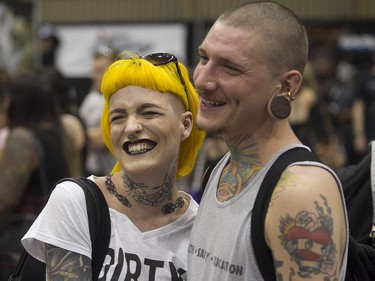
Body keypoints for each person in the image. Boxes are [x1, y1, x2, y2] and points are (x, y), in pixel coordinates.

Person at [187, 1, 348, 280]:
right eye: (203, 58)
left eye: (229, 68)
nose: (202, 80)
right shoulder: (223, 168)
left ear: (286, 86)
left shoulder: (299, 193)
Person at [21, 52, 206, 280]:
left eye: (148, 113)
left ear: (185, 125)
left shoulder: (202, 229)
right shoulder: (77, 202)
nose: (131, 127)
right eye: (118, 117)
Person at [0, 72, 77, 279]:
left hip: (23, 242)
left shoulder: (21, 138)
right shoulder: (61, 132)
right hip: (53, 237)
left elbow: (5, 200)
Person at [79, 46, 119, 175]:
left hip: (115, 172)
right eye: (94, 71)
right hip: (93, 172)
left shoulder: (120, 99)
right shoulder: (91, 97)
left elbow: (107, 137)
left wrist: (82, 136)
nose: (95, 76)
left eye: (100, 71)